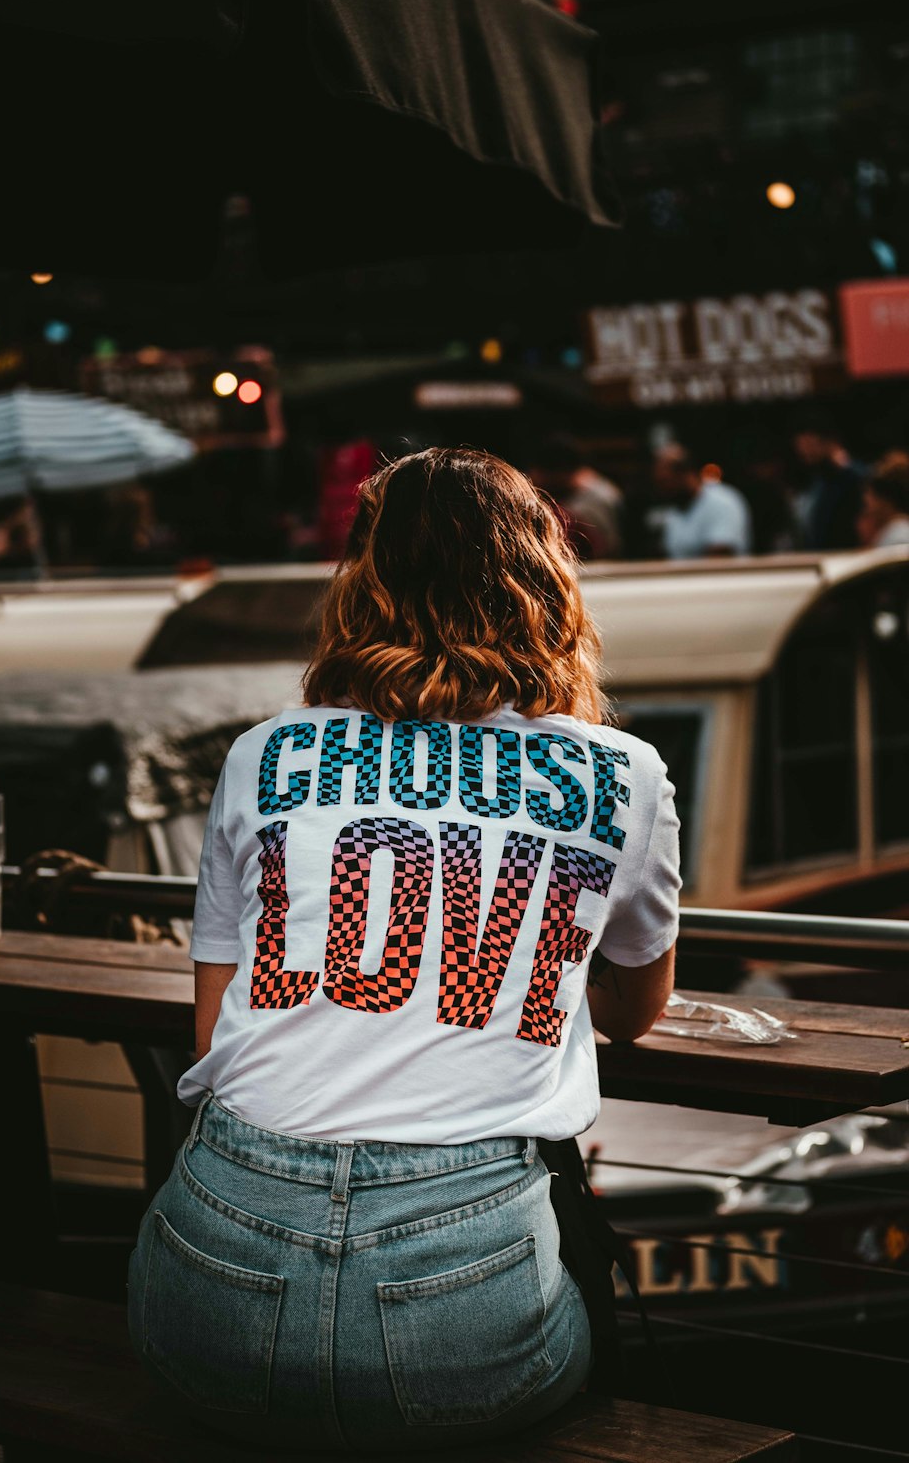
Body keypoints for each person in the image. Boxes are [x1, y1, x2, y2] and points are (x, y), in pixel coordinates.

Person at [126, 447, 681, 1454]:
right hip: (459, 1294)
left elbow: (214, 1028)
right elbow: (636, 1009)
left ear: (359, 585)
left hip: (209, 1280)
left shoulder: (267, 754)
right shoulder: (623, 776)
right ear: (544, 579)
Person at [652, 443, 752, 559]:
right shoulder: (675, 509)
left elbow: (719, 560)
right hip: (682, 577)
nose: (662, 490)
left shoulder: (722, 502)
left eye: (665, 482)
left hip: (721, 577)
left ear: (685, 475)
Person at [788, 407, 867, 551]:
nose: (806, 455)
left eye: (811, 446)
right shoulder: (818, 481)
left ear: (830, 442)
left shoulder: (858, 479)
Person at [858, 451, 909, 548]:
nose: (867, 508)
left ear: (883, 500)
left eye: (870, 497)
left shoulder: (897, 539)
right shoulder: (895, 532)